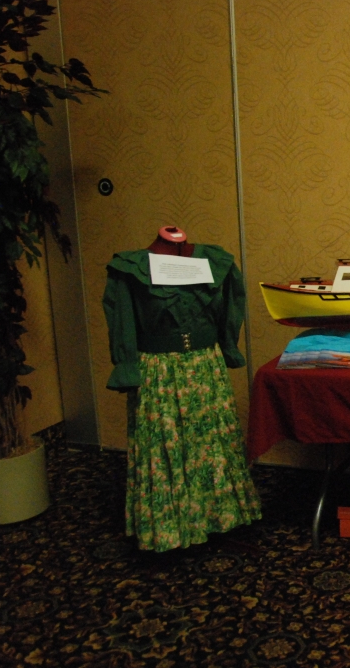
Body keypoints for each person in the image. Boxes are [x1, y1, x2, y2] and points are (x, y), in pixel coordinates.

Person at [103, 226, 261, 552]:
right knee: (164, 445)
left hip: (206, 366)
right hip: (159, 372)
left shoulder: (214, 261)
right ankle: (169, 527)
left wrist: (227, 347)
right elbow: (122, 320)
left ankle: (219, 517)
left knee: (211, 443)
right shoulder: (131, 269)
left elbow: (232, 307)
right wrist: (127, 366)